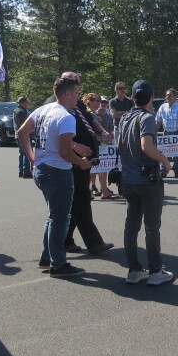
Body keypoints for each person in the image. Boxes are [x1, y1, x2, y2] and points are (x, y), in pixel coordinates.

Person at [17, 75, 92, 278]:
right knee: (60, 219)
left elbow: (21, 133)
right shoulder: (66, 117)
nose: (78, 97)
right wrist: (82, 162)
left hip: (42, 170)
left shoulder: (42, 110)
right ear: (67, 93)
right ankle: (58, 265)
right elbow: (65, 152)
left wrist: (32, 158)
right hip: (57, 171)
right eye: (76, 93)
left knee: (53, 216)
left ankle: (47, 257)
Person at [118, 80, 175, 286]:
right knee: (151, 226)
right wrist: (164, 160)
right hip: (146, 178)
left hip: (127, 178)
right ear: (151, 97)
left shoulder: (124, 118)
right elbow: (146, 145)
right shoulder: (147, 118)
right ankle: (155, 270)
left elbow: (119, 144)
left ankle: (134, 269)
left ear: (133, 97)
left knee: (131, 225)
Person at [61, 80, 115, 256]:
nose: (78, 87)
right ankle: (94, 243)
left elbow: (90, 120)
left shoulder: (76, 105)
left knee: (76, 201)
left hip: (84, 159)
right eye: (74, 82)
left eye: (78, 83)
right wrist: (75, 146)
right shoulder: (57, 105)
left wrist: (102, 132)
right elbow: (54, 132)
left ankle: (65, 241)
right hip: (71, 160)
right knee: (82, 199)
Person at [155, 88, 178, 178]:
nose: (167, 97)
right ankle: (164, 170)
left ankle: (177, 171)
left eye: (170, 95)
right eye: (166, 95)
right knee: (164, 152)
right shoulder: (163, 107)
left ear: (175, 96)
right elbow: (158, 121)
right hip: (166, 133)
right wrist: (154, 132)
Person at [13, 96, 32, 178]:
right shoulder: (22, 112)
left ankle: (21, 171)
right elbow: (24, 125)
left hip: (17, 134)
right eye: (26, 103)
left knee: (21, 153)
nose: (27, 104)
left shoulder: (15, 111)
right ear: (23, 103)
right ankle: (26, 172)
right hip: (24, 135)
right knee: (26, 153)